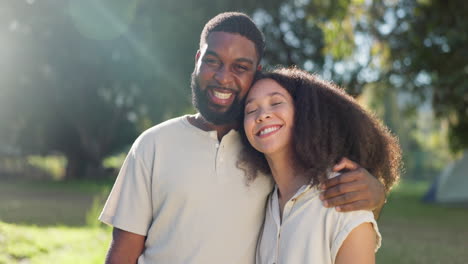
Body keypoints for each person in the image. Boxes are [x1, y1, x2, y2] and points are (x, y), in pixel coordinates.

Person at [99, 12, 387, 263]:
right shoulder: (152, 145)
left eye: (240, 67)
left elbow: (321, 187)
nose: (224, 77)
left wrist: (376, 193)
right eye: (213, 61)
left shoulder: (268, 148)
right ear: (198, 60)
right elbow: (123, 253)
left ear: (256, 73)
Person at [240, 67, 402, 264]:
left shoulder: (345, 196)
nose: (262, 114)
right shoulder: (265, 201)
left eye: (276, 102)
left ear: (303, 113)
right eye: (251, 110)